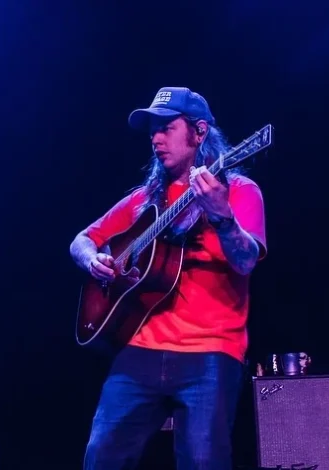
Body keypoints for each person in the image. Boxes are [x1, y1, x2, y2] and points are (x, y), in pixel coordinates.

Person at [69, 86, 267, 470]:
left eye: (167, 127)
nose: (156, 138)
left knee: (203, 463)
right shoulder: (145, 200)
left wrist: (222, 217)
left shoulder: (240, 191)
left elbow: (245, 262)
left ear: (200, 132)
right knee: (100, 459)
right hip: (139, 349)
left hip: (210, 352)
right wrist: (94, 260)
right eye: (152, 130)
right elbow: (81, 240)